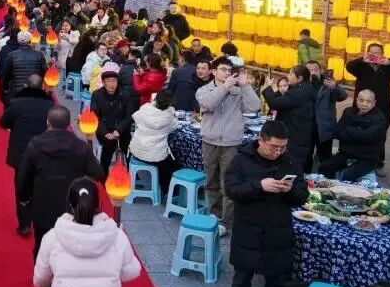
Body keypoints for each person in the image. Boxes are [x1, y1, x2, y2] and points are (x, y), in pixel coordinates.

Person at [224, 120, 309, 287]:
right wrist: (259, 186)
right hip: (247, 231)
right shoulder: (241, 160)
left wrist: (290, 190)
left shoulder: (289, 161)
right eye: (273, 147)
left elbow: (303, 195)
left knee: (276, 280)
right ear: (261, 141)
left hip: (278, 231)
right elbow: (231, 190)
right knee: (242, 278)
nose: (278, 152)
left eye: (283, 148)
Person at [17, 106, 105, 287]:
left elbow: (23, 175)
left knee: (43, 247)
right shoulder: (79, 146)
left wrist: (24, 197)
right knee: (71, 249)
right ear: (68, 124)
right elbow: (98, 173)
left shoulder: (35, 145)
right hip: (72, 208)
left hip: (43, 205)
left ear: (47, 122)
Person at [196, 57, 261, 236]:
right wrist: (224, 87)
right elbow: (209, 104)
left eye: (229, 70)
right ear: (214, 71)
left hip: (231, 142)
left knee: (228, 183)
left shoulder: (237, 91)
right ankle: (214, 214)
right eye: (223, 69)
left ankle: (226, 221)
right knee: (211, 181)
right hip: (209, 140)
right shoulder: (204, 90)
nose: (226, 73)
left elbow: (255, 107)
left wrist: (245, 86)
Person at [0, 74, 56, 236]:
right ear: (42, 87)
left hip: (22, 152)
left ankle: (24, 224)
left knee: (22, 187)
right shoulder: (49, 105)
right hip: (43, 151)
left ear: (26, 86)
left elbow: (3, 122)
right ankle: (40, 219)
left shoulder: (17, 103)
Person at [347, 43, 390, 172]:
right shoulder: (361, 66)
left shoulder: (387, 67)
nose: (375, 55)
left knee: (380, 135)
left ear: (382, 54)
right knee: (358, 132)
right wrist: (361, 60)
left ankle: (378, 162)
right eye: (372, 53)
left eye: (378, 53)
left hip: (382, 107)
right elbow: (349, 67)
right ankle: (357, 159)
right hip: (361, 107)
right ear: (367, 53)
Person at [319, 89, 388, 181]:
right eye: (361, 100)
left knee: (348, 175)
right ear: (357, 100)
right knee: (324, 167)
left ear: (374, 103)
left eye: (368, 101)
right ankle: (330, 186)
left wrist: (349, 130)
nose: (364, 104)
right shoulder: (349, 112)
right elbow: (337, 132)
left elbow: (368, 137)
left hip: (367, 158)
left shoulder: (378, 118)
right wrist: (359, 132)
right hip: (346, 154)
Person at [261, 65, 316, 172]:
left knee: (290, 170)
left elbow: (274, 103)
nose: (288, 76)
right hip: (302, 137)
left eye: (291, 74)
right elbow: (283, 99)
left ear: (300, 78)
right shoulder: (307, 89)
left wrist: (268, 87)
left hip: (295, 138)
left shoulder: (298, 93)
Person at [128, 89, 181, 197]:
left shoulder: (144, 110)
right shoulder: (168, 118)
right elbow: (175, 126)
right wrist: (172, 112)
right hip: (155, 155)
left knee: (165, 162)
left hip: (136, 150)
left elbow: (135, 117)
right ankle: (169, 192)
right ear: (170, 104)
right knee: (174, 165)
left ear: (155, 99)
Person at [90, 68, 135, 171]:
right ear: (103, 83)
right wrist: (105, 132)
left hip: (121, 129)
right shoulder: (97, 95)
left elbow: (129, 115)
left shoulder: (125, 94)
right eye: (108, 81)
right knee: (108, 146)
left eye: (114, 81)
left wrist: (118, 130)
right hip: (105, 129)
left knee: (129, 148)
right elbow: (94, 116)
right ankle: (103, 174)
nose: (111, 84)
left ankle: (131, 173)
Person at [305, 60, 349, 163]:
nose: (312, 73)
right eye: (309, 70)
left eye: (315, 70)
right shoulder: (302, 84)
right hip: (307, 127)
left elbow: (343, 96)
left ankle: (323, 172)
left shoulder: (328, 84)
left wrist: (335, 87)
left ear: (321, 71)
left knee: (325, 158)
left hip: (324, 128)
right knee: (306, 156)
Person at [0, 31, 48, 103]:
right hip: (34, 89)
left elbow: (6, 74)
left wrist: (5, 88)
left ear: (18, 41)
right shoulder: (39, 55)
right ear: (30, 41)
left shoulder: (11, 55)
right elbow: (44, 72)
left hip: (17, 90)